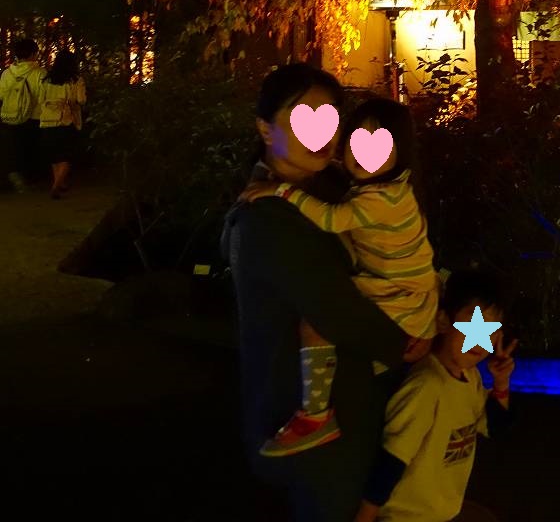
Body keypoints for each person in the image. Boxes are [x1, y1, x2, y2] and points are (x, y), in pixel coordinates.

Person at [221, 64, 425, 522]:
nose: (321, 132)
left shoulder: (333, 185)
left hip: (354, 395)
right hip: (311, 410)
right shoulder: (266, 218)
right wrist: (405, 343)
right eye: (303, 117)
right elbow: (334, 306)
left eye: (331, 117)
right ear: (264, 128)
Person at [240, 97, 439, 457]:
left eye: (379, 146)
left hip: (397, 290)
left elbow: (333, 219)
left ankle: (315, 415)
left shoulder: (380, 198)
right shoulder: (387, 186)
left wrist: (282, 191)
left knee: (317, 322)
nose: (363, 155)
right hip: (405, 284)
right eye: (355, 143)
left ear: (401, 154)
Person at [356, 269, 516, 522]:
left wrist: (501, 383)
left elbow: (495, 428)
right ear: (443, 321)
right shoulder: (427, 385)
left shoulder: (470, 377)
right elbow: (392, 459)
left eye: (490, 330)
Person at [39, 50, 86, 199]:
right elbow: (81, 100)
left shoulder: (46, 79)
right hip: (66, 120)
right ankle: (56, 185)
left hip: (47, 120)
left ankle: (59, 182)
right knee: (67, 155)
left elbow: (40, 99)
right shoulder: (76, 80)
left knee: (54, 156)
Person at [0, 38, 45, 192]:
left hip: (9, 116)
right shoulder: (40, 73)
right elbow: (43, 96)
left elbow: (1, 95)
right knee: (30, 149)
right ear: (33, 54)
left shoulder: (7, 73)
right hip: (33, 117)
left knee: (14, 148)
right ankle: (29, 180)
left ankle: (14, 175)